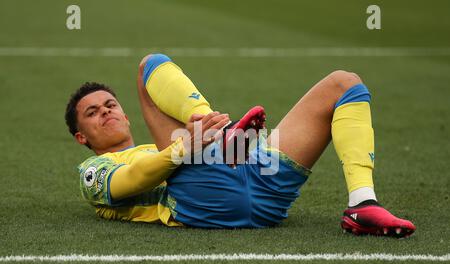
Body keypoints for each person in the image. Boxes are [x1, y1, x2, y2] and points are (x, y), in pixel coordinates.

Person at [65, 53, 416, 237]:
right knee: (148, 67)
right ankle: (221, 130)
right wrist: (183, 148)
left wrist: (189, 144)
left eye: (110, 105)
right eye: (92, 113)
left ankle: (362, 203)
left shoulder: (161, 143)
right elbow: (131, 181)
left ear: (126, 116)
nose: (105, 112)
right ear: (81, 137)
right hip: (203, 200)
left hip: (264, 192)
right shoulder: (92, 170)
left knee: (344, 83)